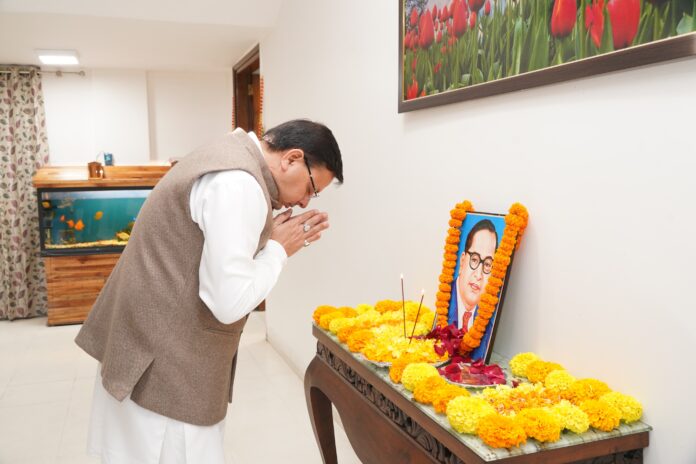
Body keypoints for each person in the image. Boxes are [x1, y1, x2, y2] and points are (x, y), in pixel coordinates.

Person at [75, 119, 344, 464]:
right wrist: (278, 251)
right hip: (166, 374)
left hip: (141, 347)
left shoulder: (227, 154)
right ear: (292, 158)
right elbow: (228, 303)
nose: (305, 202)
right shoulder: (240, 185)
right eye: (311, 188)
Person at [449, 219, 499, 360]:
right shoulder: (444, 304)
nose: (479, 275)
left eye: (487, 264)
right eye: (475, 260)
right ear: (462, 261)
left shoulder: (488, 325)